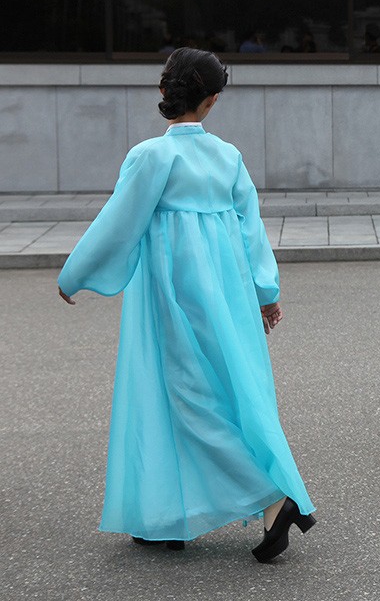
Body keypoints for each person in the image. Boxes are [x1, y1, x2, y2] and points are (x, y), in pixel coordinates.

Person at [57, 48, 316, 562]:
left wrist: (77, 274)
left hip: (172, 294)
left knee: (181, 394)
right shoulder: (228, 157)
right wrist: (266, 292)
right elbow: (250, 230)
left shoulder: (152, 156)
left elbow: (118, 223)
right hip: (228, 293)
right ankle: (169, 516)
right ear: (213, 100)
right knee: (224, 388)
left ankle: (271, 498)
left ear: (164, 91)